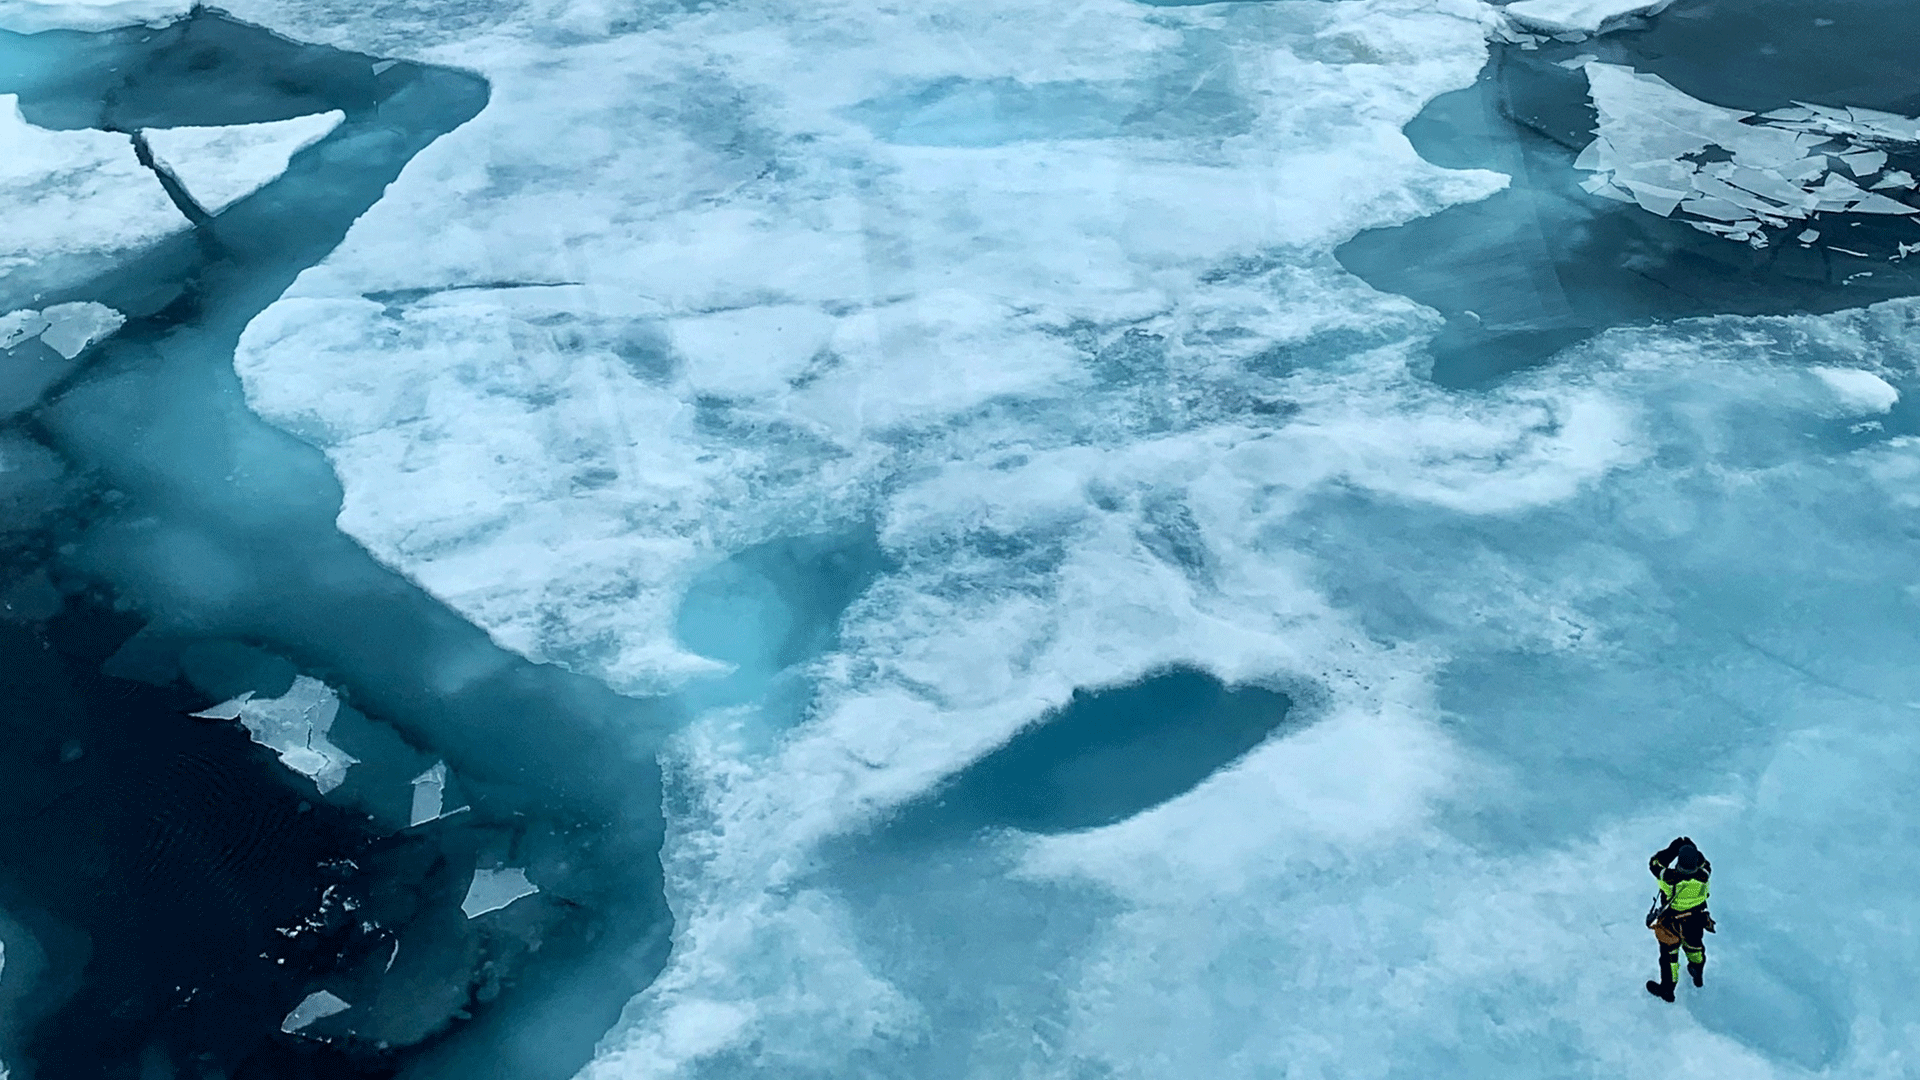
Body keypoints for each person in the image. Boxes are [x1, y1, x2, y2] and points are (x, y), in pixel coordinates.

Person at [1644, 836, 1715, 1002]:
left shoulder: (1668, 879)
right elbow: (1705, 863)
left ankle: (1667, 990)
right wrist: (1691, 847)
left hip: (1672, 923)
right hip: (1696, 919)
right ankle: (1697, 973)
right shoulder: (1705, 875)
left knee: (1669, 957)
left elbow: (1654, 864)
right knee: (1695, 948)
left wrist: (1674, 848)